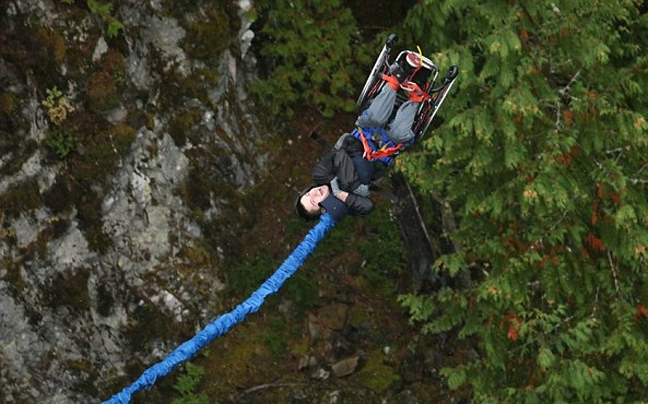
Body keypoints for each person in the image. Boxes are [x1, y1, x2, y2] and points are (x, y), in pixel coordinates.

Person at [295, 53, 428, 223]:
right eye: (313, 201)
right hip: (385, 149)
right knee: (399, 134)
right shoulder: (345, 202)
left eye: (308, 193)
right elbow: (367, 206)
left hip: (365, 133)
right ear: (322, 210)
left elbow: (340, 157)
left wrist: (353, 186)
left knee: (376, 118)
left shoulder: (320, 175)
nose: (314, 194)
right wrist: (341, 195)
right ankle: (418, 88)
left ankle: (399, 76)